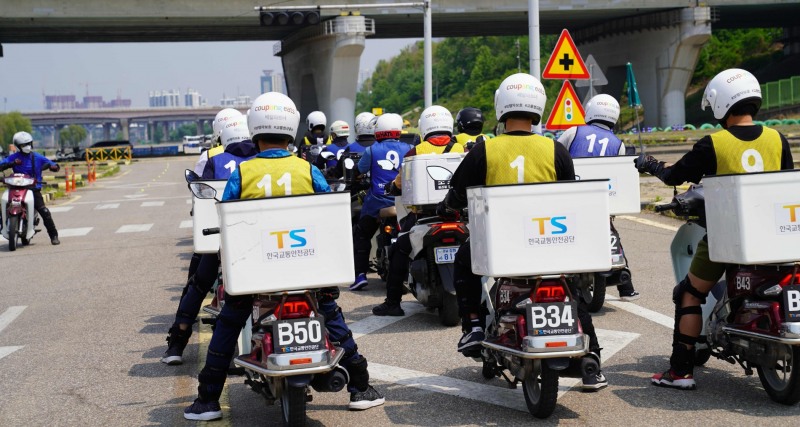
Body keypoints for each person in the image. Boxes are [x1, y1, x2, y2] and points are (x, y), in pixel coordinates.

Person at [183, 92, 385, 421]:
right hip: (307, 269)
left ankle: (207, 401)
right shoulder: (307, 170)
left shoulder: (243, 174)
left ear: (254, 131)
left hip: (256, 275)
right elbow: (327, 207)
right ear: (291, 130)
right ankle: (361, 387)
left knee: (229, 322)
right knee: (332, 317)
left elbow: (227, 214)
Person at [437, 73, 607, 391]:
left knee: (463, 261)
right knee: (570, 292)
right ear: (538, 107)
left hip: (501, 246)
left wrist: (448, 207)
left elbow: (457, 192)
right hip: (549, 240)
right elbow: (570, 196)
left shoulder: (484, 151)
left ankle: (473, 326)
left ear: (502, 107)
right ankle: (592, 362)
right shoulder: (555, 150)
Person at [636, 68, 794, 391]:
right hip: (780, 236)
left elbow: (674, 175)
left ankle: (680, 371)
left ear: (722, 104)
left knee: (689, 294)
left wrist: (650, 163)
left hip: (729, 239)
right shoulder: (778, 139)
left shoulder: (714, 143)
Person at [162, 119, 258, 366]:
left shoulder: (214, 159)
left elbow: (204, 200)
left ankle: (177, 343)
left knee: (197, 284)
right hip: (263, 242)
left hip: (222, 241)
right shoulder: (264, 160)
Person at [372, 105, 464, 316]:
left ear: (424, 127)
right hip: (459, 216)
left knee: (398, 250)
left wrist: (392, 186)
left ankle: (393, 303)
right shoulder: (460, 150)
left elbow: (401, 183)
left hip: (425, 219)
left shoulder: (416, 151)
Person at [557, 94, 641, 302]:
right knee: (613, 235)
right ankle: (626, 288)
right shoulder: (618, 143)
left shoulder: (573, 131)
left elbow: (555, 156)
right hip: (603, 198)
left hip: (573, 197)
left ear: (589, 111)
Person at [350, 113, 413, 291]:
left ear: (378, 130)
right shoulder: (409, 147)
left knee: (362, 233)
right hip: (404, 201)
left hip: (378, 202)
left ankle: (360, 275)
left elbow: (359, 171)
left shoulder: (371, 150)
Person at [0, 131, 61, 245]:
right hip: (16, 188)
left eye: (28, 143)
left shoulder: (37, 157)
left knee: (44, 211)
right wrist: (11, 163)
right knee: (3, 206)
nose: (27, 146)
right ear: (18, 147)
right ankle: (3, 225)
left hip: (33, 189)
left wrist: (54, 166)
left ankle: (53, 235)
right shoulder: (14, 157)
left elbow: (52, 164)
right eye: (23, 145)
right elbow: (1, 164)